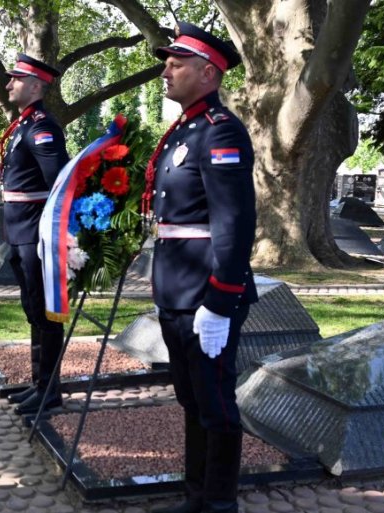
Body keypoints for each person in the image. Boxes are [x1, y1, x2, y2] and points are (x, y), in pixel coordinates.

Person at [145, 23, 257, 513]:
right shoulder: (185, 130)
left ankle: (219, 503)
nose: (165, 72)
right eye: (166, 64)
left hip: (206, 293)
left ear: (208, 73)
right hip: (176, 289)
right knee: (192, 400)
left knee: (216, 404)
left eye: (176, 64)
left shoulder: (220, 129)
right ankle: (197, 497)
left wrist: (221, 299)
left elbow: (233, 221)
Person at [0, 54, 70, 415]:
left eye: (16, 79)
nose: (9, 84)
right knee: (33, 309)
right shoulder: (23, 125)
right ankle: (39, 383)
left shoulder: (43, 127)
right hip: (18, 231)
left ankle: (49, 390)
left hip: (35, 233)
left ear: (36, 86)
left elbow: (59, 182)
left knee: (45, 312)